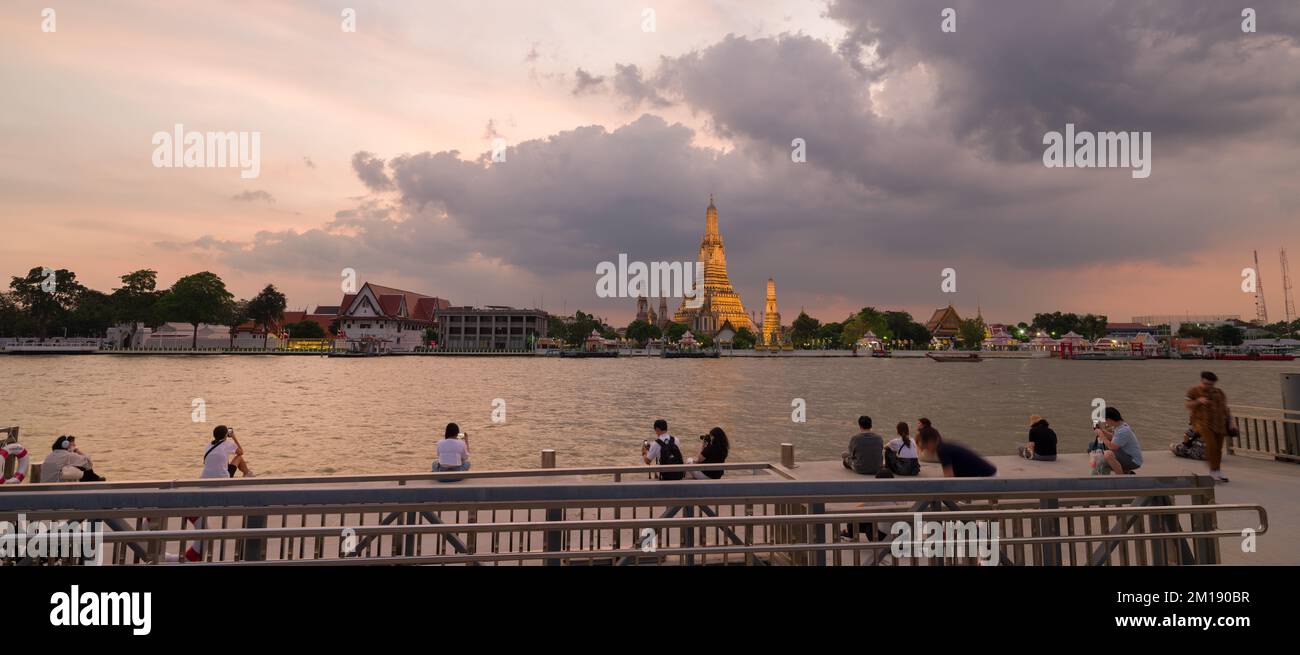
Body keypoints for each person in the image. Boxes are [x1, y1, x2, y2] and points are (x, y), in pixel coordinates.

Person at [1185, 371, 1233, 483]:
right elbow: (1187, 405)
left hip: (1219, 423)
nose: (1209, 387)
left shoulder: (1219, 392)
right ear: (1202, 380)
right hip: (1202, 423)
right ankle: (1213, 471)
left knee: (1218, 448)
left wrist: (1231, 422)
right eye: (1206, 384)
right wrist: (1198, 401)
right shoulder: (1194, 391)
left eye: (1211, 384)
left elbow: (1226, 408)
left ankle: (1217, 471)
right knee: (1211, 446)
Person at [918, 428, 996, 477]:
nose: (926, 451)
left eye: (925, 447)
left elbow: (949, 476)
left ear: (931, 442)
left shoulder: (942, 450)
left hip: (987, 479)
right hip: (989, 475)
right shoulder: (945, 446)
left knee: (936, 489)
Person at [1093, 407, 1142, 475]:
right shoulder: (1120, 426)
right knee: (1101, 460)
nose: (1105, 423)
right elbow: (1114, 438)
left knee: (1108, 454)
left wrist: (1101, 435)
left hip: (1133, 461)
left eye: (1105, 420)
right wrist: (1103, 431)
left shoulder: (1123, 431)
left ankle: (1121, 478)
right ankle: (1126, 473)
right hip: (1127, 455)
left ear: (1109, 419)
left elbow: (1112, 447)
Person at [40, 436, 105, 483]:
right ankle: (96, 481)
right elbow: (88, 463)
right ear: (66, 445)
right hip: (56, 486)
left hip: (45, 484)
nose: (74, 445)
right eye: (73, 444)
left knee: (78, 468)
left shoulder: (50, 455)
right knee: (85, 470)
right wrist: (77, 450)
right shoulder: (67, 455)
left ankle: (95, 479)